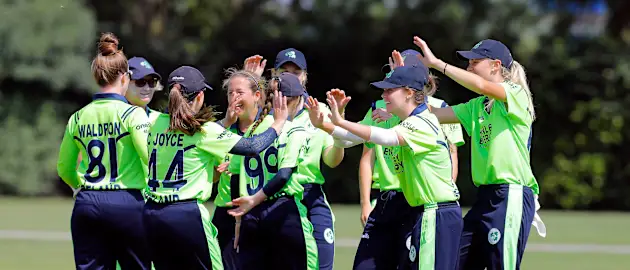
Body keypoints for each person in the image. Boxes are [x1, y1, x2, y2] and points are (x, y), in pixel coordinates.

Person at [307, 64, 463, 270]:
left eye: (390, 90)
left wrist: (339, 122)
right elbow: (351, 139)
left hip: (437, 213)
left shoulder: (421, 122)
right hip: (426, 213)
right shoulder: (407, 121)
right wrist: (324, 125)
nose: (384, 94)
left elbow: (386, 137)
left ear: (408, 93)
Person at [411, 36, 545, 270]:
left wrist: (437, 63)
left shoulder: (515, 93)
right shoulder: (477, 106)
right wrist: (407, 83)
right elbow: (429, 114)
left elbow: (481, 85)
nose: (469, 67)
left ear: (495, 65)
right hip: (485, 197)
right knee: (454, 262)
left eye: (475, 62)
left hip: (510, 194)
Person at [142, 65, 289, 269]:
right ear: (200, 96)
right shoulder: (203, 130)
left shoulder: (153, 122)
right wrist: (278, 123)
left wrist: (226, 122)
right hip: (186, 215)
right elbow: (252, 147)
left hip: (151, 214)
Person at [56, 32, 152, 270]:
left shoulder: (77, 117)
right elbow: (149, 157)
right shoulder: (133, 114)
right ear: (124, 77)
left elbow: (64, 168)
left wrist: (81, 185)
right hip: (127, 203)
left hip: (87, 203)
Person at [227, 72, 319, 270]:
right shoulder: (295, 129)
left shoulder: (251, 132)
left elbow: (235, 176)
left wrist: (238, 219)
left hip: (250, 216)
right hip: (283, 212)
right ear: (295, 100)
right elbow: (283, 175)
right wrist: (255, 199)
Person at [212, 67, 268, 270]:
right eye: (230, 93)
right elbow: (211, 179)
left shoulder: (269, 128)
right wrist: (216, 172)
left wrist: (239, 167)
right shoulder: (218, 130)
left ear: (257, 96)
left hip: (259, 211)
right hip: (225, 213)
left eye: (239, 92)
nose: (234, 97)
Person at [126, 56, 164, 123]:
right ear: (125, 82)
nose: (147, 88)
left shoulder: (160, 119)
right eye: (140, 82)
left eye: (152, 82)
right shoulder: (114, 117)